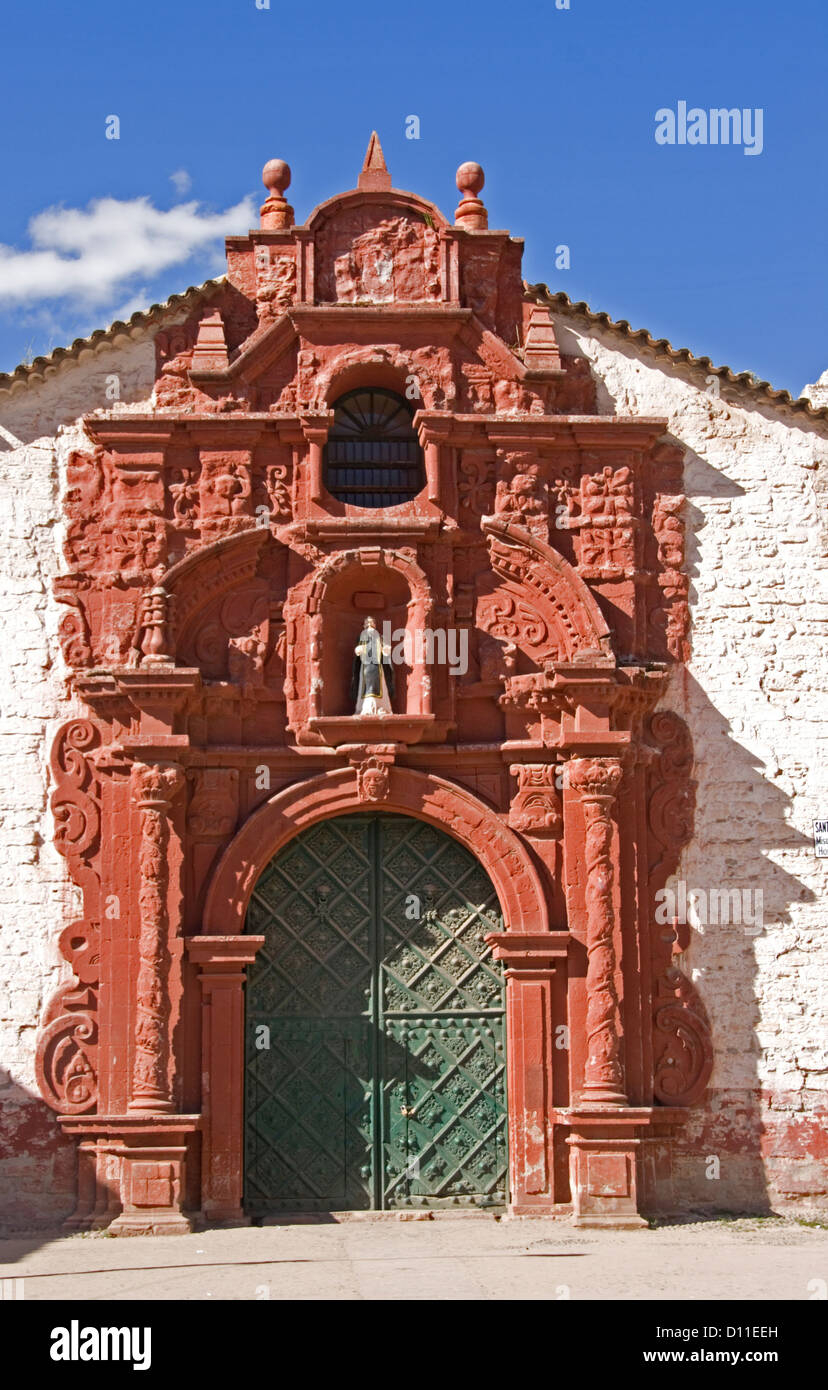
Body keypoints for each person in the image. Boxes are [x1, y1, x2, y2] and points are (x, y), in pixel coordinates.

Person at [351, 616, 394, 716]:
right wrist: (359, 649)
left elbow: (385, 651)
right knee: (365, 687)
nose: (369, 625)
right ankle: (365, 707)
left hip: (377, 667)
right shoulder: (362, 638)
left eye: (372, 623)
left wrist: (385, 650)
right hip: (365, 667)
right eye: (367, 623)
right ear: (364, 626)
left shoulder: (380, 638)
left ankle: (381, 707)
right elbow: (357, 651)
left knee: (380, 686)